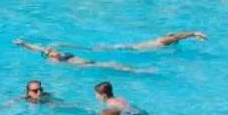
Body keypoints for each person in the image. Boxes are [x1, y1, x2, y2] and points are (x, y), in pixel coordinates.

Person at [13, 39, 147, 73]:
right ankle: (137, 70)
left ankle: (135, 69)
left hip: (89, 61)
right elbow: (38, 50)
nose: (54, 51)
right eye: (52, 52)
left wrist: (24, 43)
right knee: (113, 65)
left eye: (53, 50)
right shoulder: (54, 60)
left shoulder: (52, 52)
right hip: (87, 65)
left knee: (114, 64)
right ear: (49, 55)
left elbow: (36, 48)